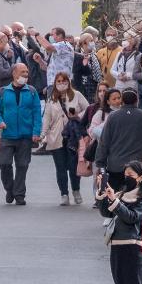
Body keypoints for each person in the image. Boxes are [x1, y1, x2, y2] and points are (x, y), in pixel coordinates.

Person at [98, 161, 142, 284]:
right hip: (116, 247)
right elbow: (106, 212)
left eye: (130, 175)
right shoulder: (121, 195)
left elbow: (131, 217)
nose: (126, 177)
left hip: (132, 249)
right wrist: (103, 194)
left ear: (140, 178)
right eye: (125, 174)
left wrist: (115, 201)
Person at [0, 64, 43, 206]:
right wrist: (0, 121)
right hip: (7, 136)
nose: (25, 74)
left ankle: (19, 194)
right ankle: (10, 189)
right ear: (14, 74)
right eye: (22, 72)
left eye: (27, 72)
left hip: (25, 137)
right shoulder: (3, 92)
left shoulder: (32, 92)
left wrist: (36, 132)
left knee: (22, 165)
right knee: (4, 163)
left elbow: (37, 114)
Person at [42, 71, 89, 206]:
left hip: (73, 135)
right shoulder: (52, 99)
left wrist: (77, 116)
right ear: (55, 83)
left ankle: (76, 190)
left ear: (69, 82)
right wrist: (42, 134)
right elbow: (47, 118)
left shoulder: (76, 95)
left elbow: (88, 109)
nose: (61, 84)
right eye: (59, 82)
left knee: (74, 165)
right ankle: (64, 193)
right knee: (60, 167)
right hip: (57, 136)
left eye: (64, 81)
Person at [95, 89, 142, 193]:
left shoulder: (113, 116)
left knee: (116, 199)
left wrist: (100, 164)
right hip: (136, 167)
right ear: (137, 100)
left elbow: (104, 142)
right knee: (136, 198)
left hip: (115, 166)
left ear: (122, 101)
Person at [74, 33, 102, 102]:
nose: (93, 42)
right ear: (84, 43)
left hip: (94, 86)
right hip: (83, 86)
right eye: (91, 40)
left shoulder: (94, 55)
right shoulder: (77, 55)